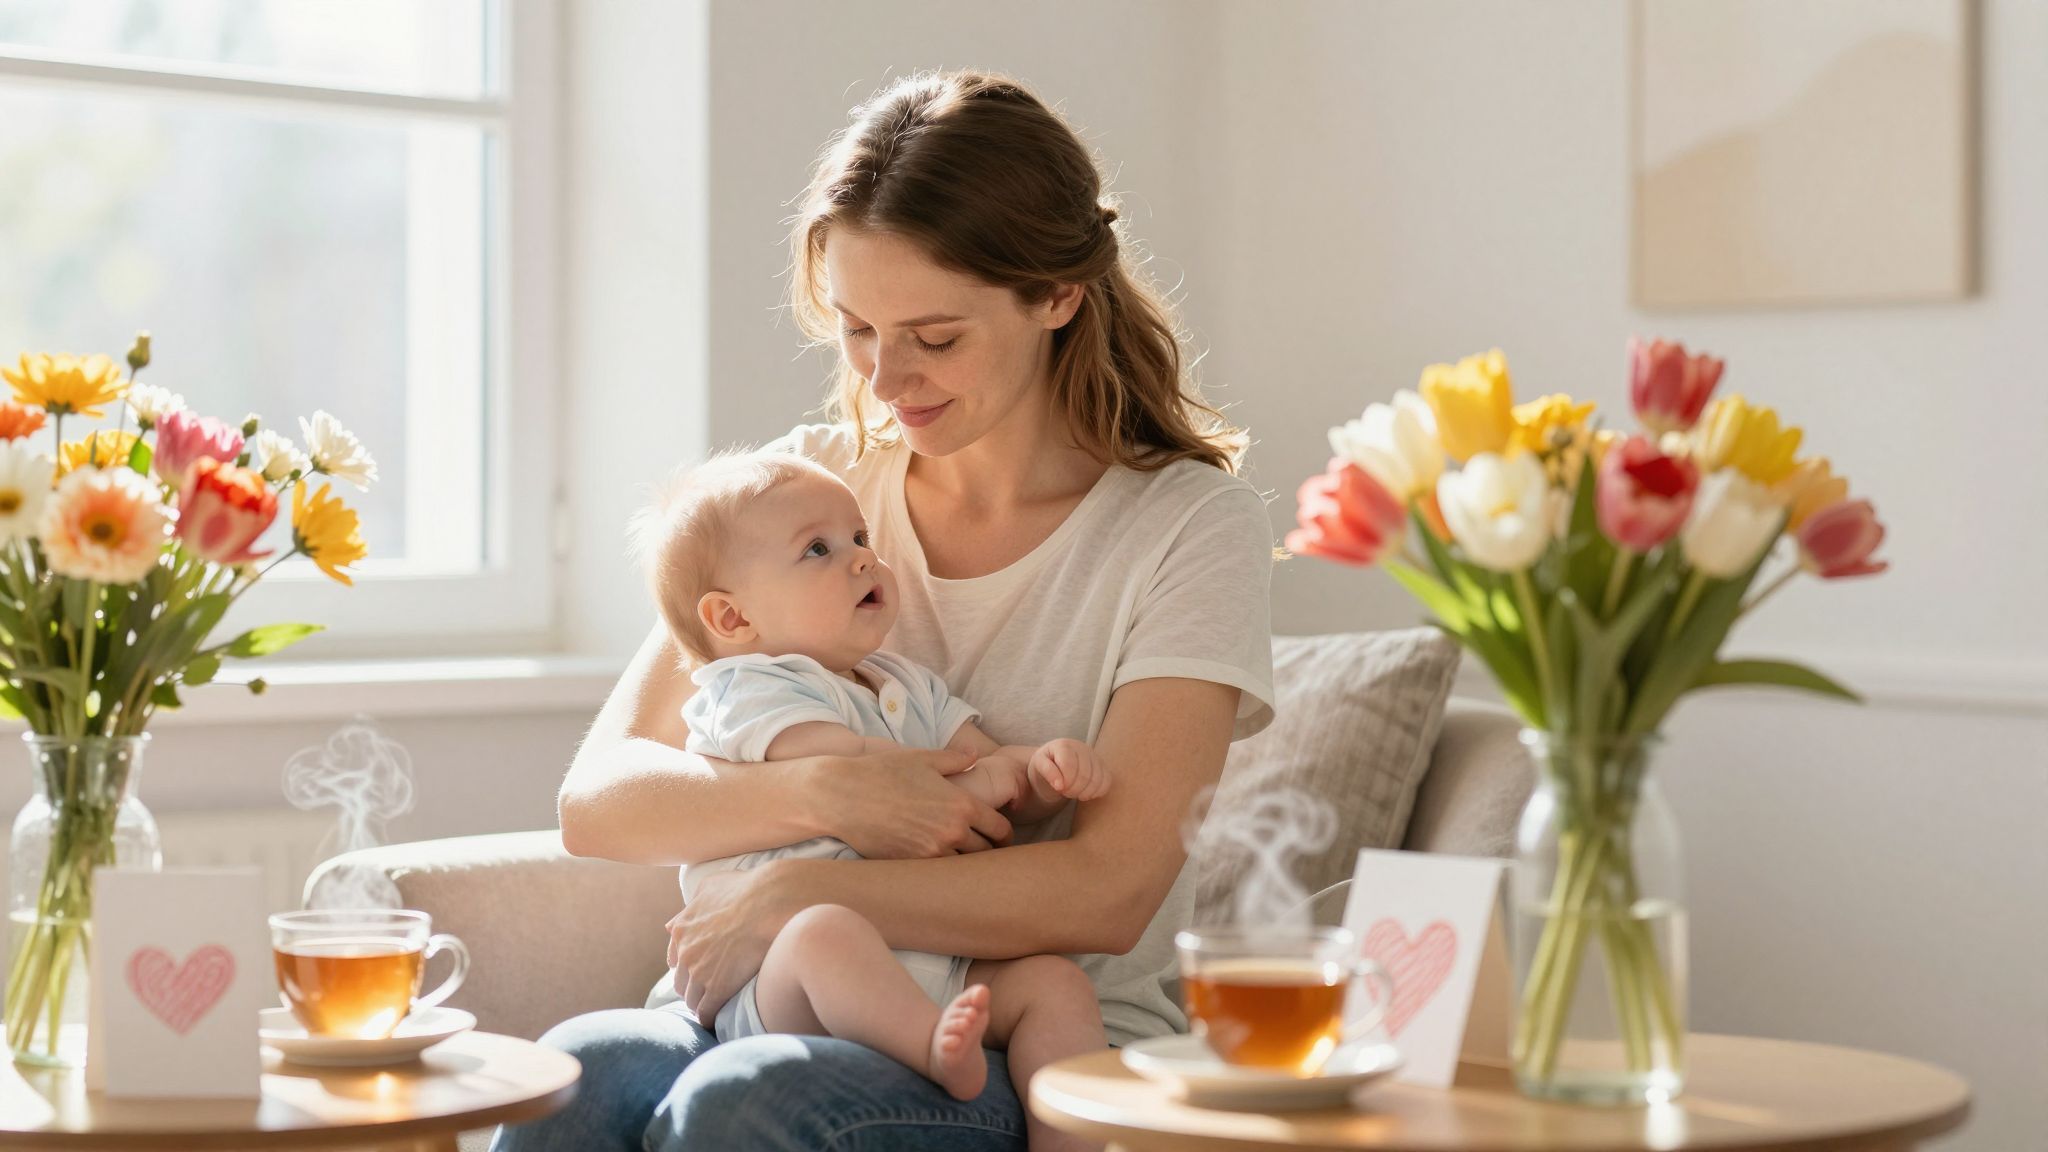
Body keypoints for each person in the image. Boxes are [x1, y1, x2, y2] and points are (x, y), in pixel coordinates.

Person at [493, 68, 1275, 1151]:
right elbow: (604, 798)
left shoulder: (1188, 529)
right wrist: (835, 794)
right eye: (857, 328)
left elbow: (1107, 890)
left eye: (934, 336)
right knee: (574, 1072)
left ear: (1056, 296)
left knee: (747, 1102)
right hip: (764, 995)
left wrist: (795, 893)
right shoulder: (809, 491)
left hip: (1016, 1029)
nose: (886, 376)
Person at [631, 450, 1111, 1147]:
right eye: (818, 550)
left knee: (1056, 987)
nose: (860, 559)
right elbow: (847, 769)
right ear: (732, 619)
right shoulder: (747, 689)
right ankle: (931, 1051)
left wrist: (1040, 772)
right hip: (783, 982)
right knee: (825, 932)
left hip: (930, 956)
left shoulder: (902, 683)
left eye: (861, 539)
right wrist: (970, 782)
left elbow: (982, 764)